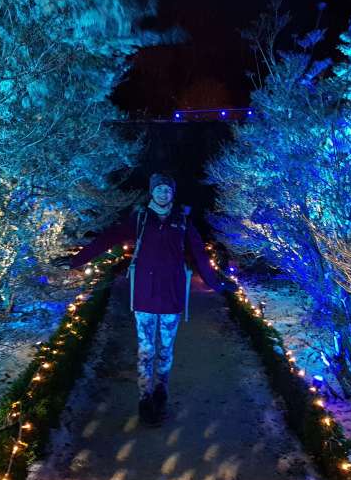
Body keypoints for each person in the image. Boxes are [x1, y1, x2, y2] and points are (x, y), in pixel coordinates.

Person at [70, 173, 233, 426]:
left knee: (166, 350)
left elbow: (200, 254)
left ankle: (161, 393)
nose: (163, 193)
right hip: (145, 295)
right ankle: (145, 399)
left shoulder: (182, 220)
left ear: (173, 193)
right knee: (146, 350)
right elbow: (107, 238)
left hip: (172, 295)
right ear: (152, 192)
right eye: (159, 189)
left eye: (167, 189)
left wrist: (217, 284)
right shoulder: (140, 218)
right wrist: (76, 260)